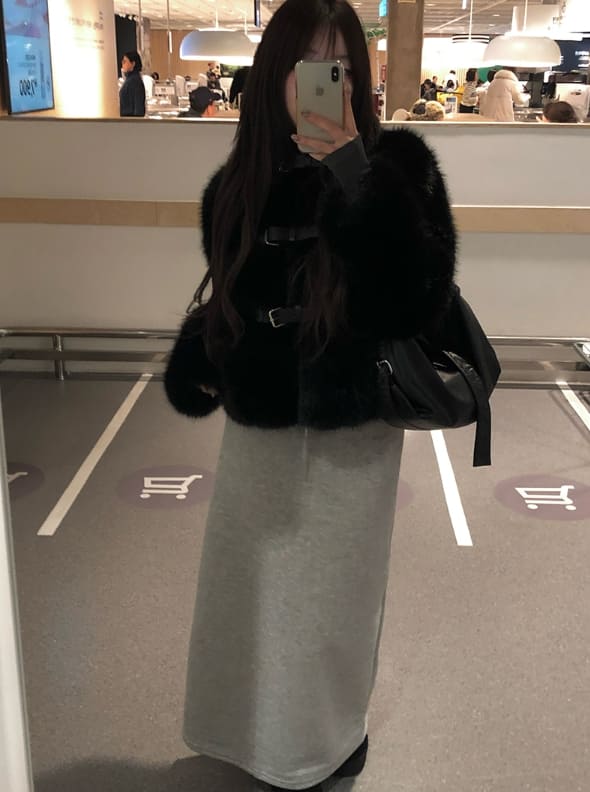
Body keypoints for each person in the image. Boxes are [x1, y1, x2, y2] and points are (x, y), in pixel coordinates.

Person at [164, 1, 456, 790]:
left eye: (341, 64)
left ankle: (325, 739)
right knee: (248, 592)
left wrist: (356, 177)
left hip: (352, 430)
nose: (325, 80)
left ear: (359, 78)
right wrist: (199, 355)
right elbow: (232, 302)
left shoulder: (400, 169)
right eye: (306, 63)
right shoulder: (238, 184)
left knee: (334, 600)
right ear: (274, 76)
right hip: (259, 427)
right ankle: (243, 732)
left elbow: (415, 302)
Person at [119, 51, 146, 117]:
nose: (122, 64)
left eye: (125, 61)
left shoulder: (134, 81)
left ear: (133, 63)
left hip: (129, 120)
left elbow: (139, 108)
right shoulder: (131, 79)